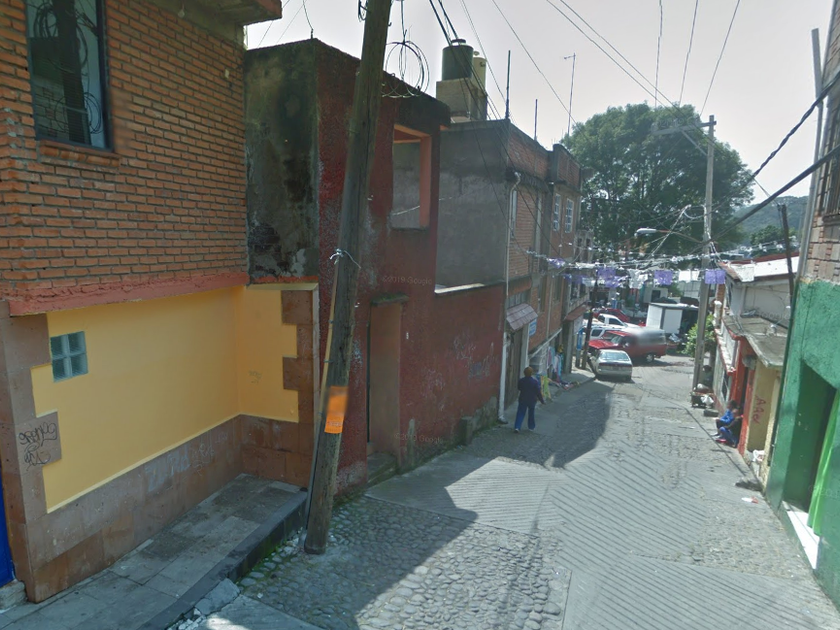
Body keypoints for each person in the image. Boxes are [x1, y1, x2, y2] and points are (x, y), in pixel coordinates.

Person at [514, 366, 544, 433]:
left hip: (523, 399)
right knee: (531, 413)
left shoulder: (521, 380)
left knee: (520, 413)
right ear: (531, 373)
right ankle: (531, 427)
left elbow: (519, 388)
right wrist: (542, 400)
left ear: (524, 373)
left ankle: (517, 427)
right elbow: (538, 392)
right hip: (532, 400)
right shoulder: (535, 382)